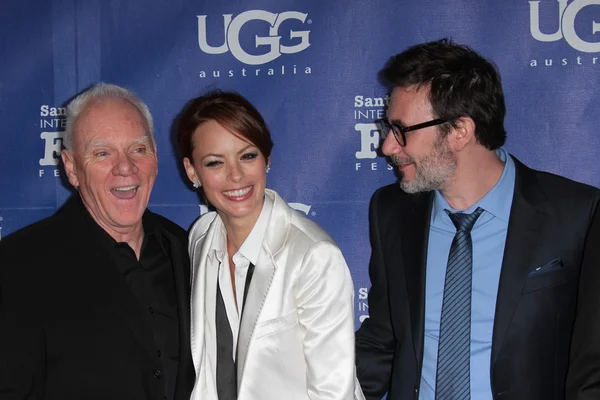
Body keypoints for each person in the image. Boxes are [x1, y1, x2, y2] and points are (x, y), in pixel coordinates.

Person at [354, 39, 600, 400]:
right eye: (387, 128)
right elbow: (383, 339)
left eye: (401, 129)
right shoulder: (391, 211)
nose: (387, 147)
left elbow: (592, 368)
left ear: (459, 131)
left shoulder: (578, 213)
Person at [0, 83, 195, 400]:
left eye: (139, 149)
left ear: (156, 157)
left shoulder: (186, 249)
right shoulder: (17, 267)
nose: (125, 167)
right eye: (102, 153)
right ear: (72, 168)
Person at [175, 90, 363, 400]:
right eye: (214, 163)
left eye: (248, 156)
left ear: (267, 160)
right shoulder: (200, 237)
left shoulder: (313, 255)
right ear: (192, 171)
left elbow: (333, 393)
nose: (236, 176)